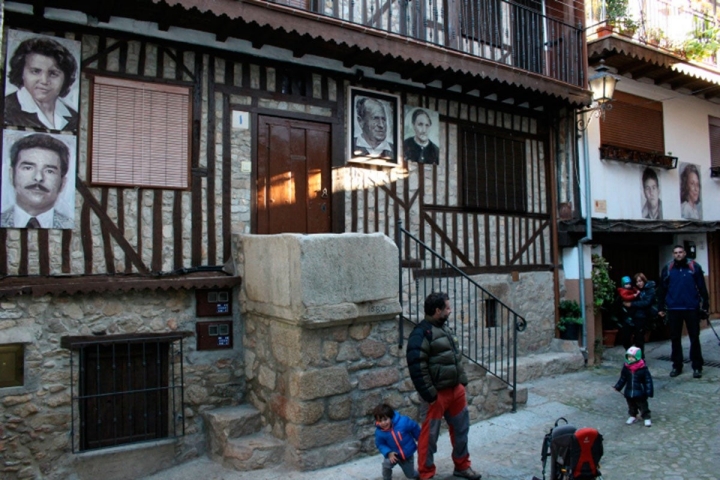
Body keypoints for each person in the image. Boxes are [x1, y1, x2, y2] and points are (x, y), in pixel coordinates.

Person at [406, 292, 482, 480]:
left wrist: (461, 383)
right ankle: (426, 473)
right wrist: (431, 395)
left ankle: (462, 466)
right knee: (429, 437)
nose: (450, 310)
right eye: (447, 307)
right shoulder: (420, 333)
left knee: (461, 431)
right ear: (437, 310)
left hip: (455, 391)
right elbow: (417, 367)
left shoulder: (445, 329)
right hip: (436, 396)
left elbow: (456, 357)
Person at [5, 36, 79, 131]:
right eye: (35, 71)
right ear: (21, 73)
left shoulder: (73, 116)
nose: (44, 81)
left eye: (53, 73)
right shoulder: (6, 110)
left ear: (66, 78)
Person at [0, 133, 73, 229]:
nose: (38, 178)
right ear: (11, 175)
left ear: (62, 183)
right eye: (28, 168)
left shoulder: (69, 224)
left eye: (49, 171)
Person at [658, 245, 709, 378]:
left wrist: (705, 307)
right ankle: (677, 366)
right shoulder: (668, 269)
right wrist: (661, 308)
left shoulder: (694, 267)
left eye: (680, 252)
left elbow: (702, 288)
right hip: (674, 308)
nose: (678, 255)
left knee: (694, 338)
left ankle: (697, 367)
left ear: (685, 253)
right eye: (676, 253)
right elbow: (662, 289)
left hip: (691, 308)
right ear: (673, 254)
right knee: (675, 339)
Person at [373, 403, 420, 480]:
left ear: (391, 417)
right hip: (393, 455)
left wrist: (420, 439)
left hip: (407, 455)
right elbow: (380, 444)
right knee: (386, 465)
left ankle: (419, 476)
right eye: (380, 421)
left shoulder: (403, 422)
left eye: (385, 419)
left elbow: (414, 428)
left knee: (410, 475)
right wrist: (388, 452)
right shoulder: (379, 432)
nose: (383, 423)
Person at [613, 346, 654, 427]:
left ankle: (646, 417)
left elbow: (648, 381)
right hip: (629, 391)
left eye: (631, 357)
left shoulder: (643, 369)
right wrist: (618, 386)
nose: (629, 359)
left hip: (640, 392)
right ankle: (633, 415)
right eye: (628, 357)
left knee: (643, 405)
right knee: (631, 405)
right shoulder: (626, 368)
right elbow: (623, 378)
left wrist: (648, 391)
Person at [623, 273, 657, 357]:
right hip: (631, 316)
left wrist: (632, 304)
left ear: (644, 280)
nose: (639, 283)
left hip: (642, 317)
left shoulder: (650, 289)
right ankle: (632, 356)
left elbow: (647, 302)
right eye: (637, 282)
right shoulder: (634, 290)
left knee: (639, 340)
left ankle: (640, 359)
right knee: (625, 338)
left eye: (640, 281)